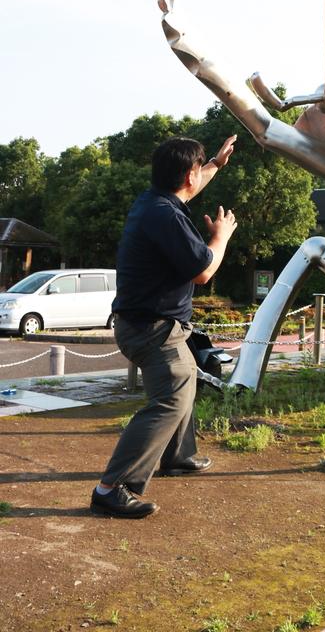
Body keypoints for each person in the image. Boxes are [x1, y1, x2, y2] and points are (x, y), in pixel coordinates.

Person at [91, 135, 237, 519]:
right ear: (188, 174)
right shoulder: (166, 216)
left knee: (186, 378)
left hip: (149, 323)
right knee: (171, 398)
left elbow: (191, 185)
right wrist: (220, 236)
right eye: (199, 168)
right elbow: (205, 270)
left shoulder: (155, 201)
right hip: (152, 329)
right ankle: (112, 487)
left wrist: (216, 165)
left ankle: (178, 456)